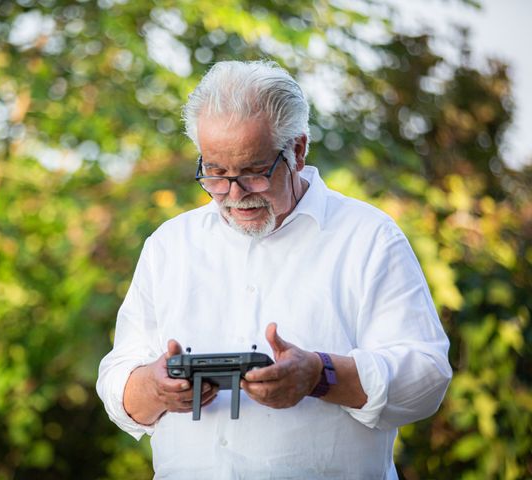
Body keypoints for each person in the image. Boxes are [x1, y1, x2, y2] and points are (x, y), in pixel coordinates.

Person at [96, 60, 452, 479]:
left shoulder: (369, 237)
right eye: (215, 173)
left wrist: (321, 376)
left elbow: (427, 377)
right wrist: (155, 387)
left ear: (297, 150)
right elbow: (118, 380)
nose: (233, 194)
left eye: (252, 172)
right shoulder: (169, 245)